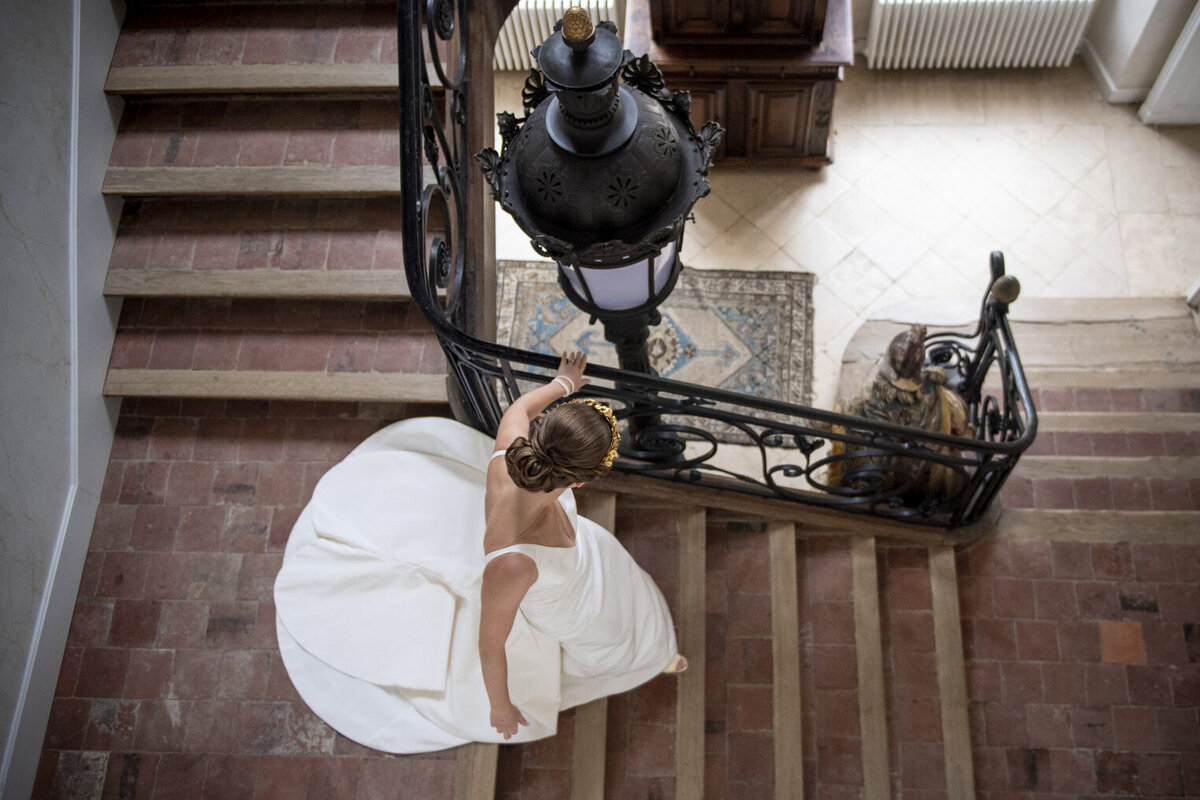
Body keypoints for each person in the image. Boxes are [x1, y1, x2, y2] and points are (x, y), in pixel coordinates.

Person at [273, 352, 684, 753]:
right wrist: (500, 707)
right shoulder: (514, 563)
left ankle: (658, 649)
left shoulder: (511, 443)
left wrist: (564, 384)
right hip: (568, 606)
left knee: (627, 589)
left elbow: (522, 405)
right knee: (613, 641)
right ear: (579, 483)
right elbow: (490, 644)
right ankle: (656, 658)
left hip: (589, 558)